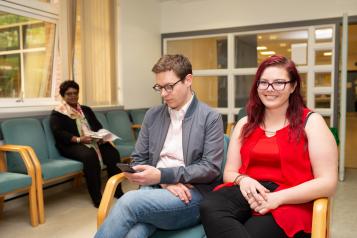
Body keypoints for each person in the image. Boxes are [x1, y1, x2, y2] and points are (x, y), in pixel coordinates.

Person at [200, 55, 338, 238]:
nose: (269, 89)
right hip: (250, 189)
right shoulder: (244, 124)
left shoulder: (312, 123)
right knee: (209, 206)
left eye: (279, 83)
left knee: (254, 232)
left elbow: (327, 182)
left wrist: (277, 199)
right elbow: (230, 173)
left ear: (293, 86)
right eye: (263, 83)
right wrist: (243, 180)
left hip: (291, 198)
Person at [95, 54, 224, 238]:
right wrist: (163, 181)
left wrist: (163, 175)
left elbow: (210, 168)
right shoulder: (153, 115)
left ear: (188, 80)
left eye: (169, 87)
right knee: (134, 233)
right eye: (159, 87)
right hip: (154, 188)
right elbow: (138, 158)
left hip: (191, 195)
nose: (163, 94)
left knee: (128, 202)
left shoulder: (210, 117)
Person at [50, 80, 123, 208]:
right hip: (72, 145)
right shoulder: (58, 113)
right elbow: (59, 133)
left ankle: (117, 191)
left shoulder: (86, 109)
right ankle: (97, 197)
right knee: (90, 156)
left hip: (92, 141)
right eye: (69, 94)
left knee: (112, 152)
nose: (73, 96)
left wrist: (101, 136)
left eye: (75, 93)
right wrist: (79, 139)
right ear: (63, 96)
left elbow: (97, 126)